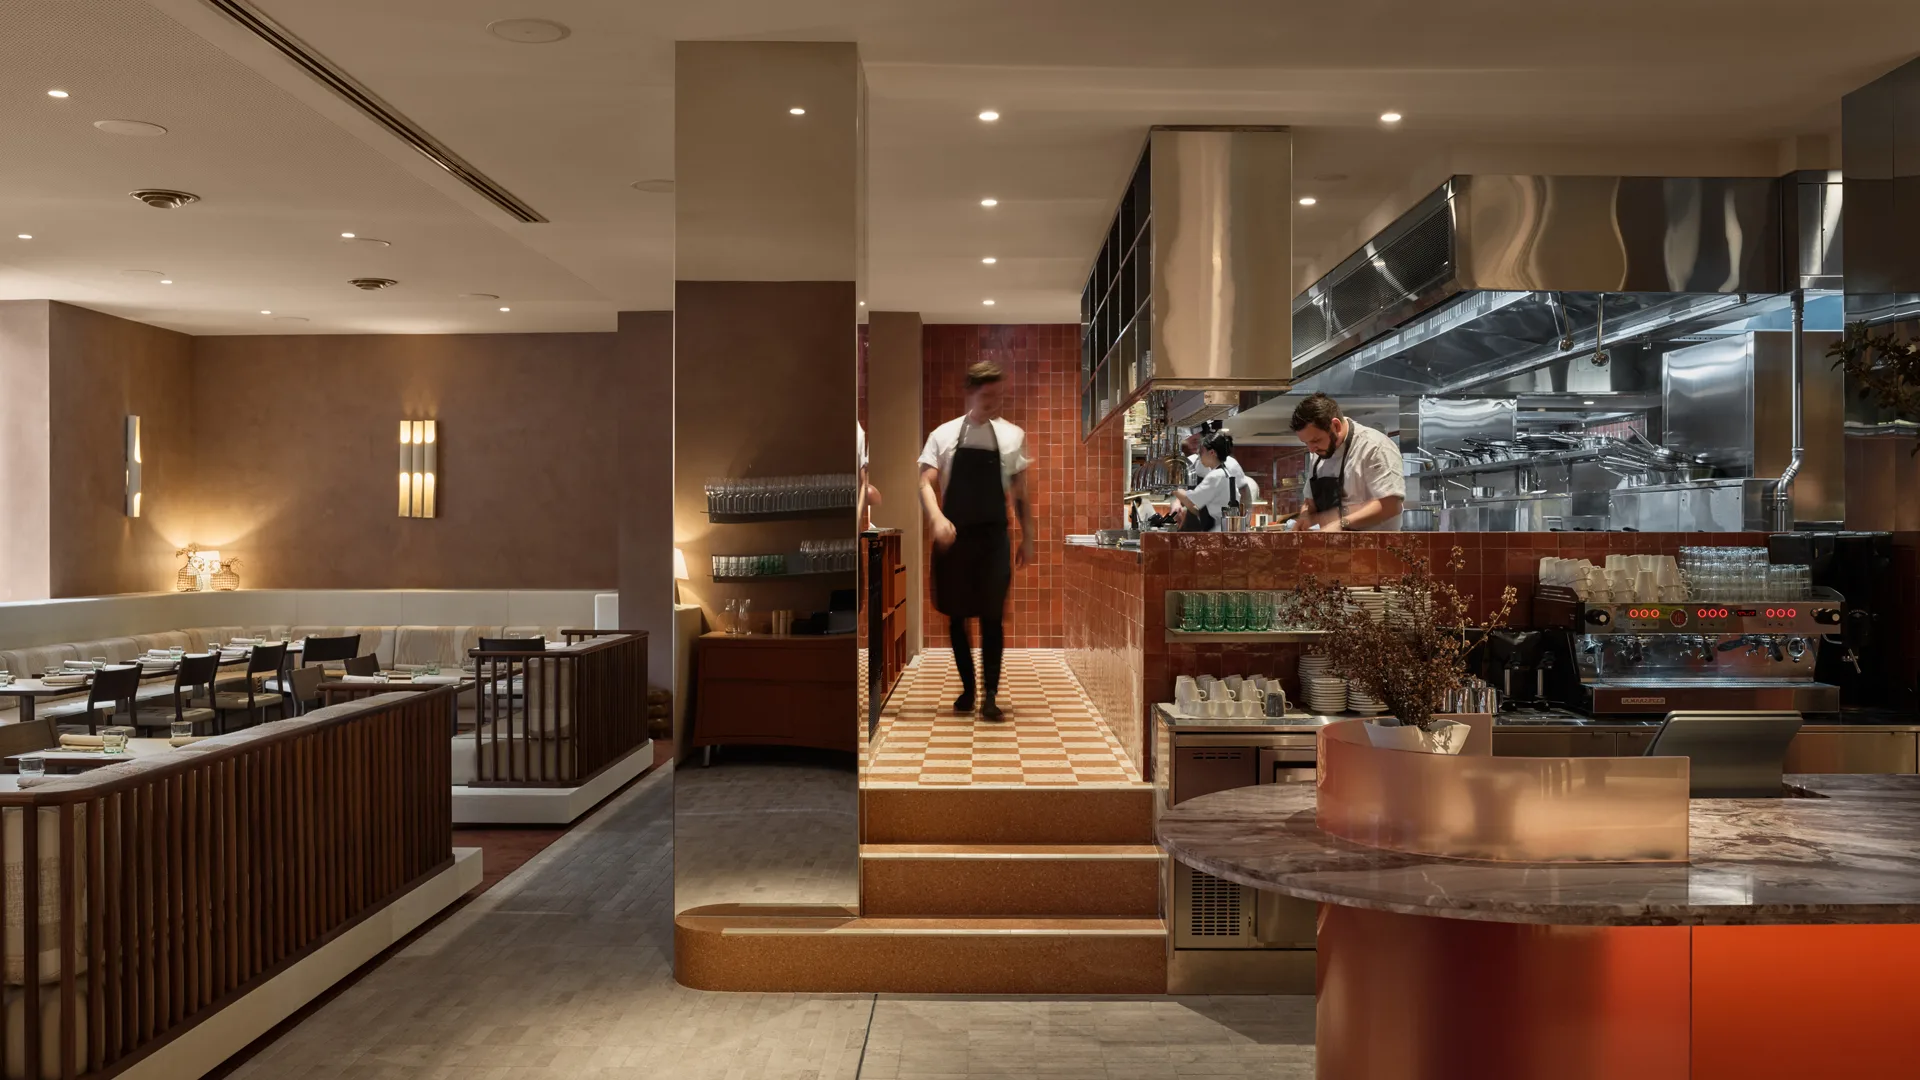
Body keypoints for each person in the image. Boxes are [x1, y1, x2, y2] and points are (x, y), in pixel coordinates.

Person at [918, 362, 1033, 720]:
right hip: (954, 537)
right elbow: (925, 481)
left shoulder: (1012, 436)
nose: (994, 401)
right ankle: (968, 689)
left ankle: (991, 696)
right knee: (956, 617)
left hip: (993, 538)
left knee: (992, 617)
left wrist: (1029, 537)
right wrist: (937, 518)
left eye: (998, 394)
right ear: (970, 393)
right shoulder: (945, 434)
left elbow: (1021, 492)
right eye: (987, 395)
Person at [1288, 392, 1405, 531]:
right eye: (1306, 443)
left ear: (1336, 426)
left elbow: (1391, 505)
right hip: (1333, 549)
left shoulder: (1375, 447)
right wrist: (1305, 517)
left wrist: (1341, 523)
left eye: (1315, 440)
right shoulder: (1319, 452)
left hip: (1374, 549)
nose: (1311, 449)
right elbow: (1310, 502)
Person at [1172, 432, 1246, 532]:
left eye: (1201, 452)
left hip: (1220, 532)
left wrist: (1171, 485)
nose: (1199, 456)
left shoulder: (1216, 476)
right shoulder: (1224, 473)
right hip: (1223, 530)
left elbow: (1190, 500)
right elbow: (1197, 508)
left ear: (1212, 453)